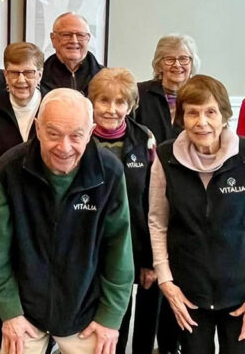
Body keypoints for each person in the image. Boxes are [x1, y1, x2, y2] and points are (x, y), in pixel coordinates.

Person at [148, 75, 245, 354]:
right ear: (181, 117)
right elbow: (157, 222)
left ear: (225, 115)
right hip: (189, 293)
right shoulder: (166, 158)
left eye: (210, 112)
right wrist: (165, 280)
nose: (201, 122)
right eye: (192, 113)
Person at [0, 88, 134, 354]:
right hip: (25, 311)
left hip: (86, 312)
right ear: (38, 129)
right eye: (53, 134)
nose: (64, 147)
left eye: (76, 136)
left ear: (90, 132)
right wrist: (9, 312)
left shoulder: (110, 173)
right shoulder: (9, 170)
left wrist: (110, 318)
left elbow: (119, 253)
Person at [86, 69, 158, 354]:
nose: (112, 109)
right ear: (91, 101)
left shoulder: (145, 140)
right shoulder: (79, 137)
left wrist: (150, 260)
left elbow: (154, 203)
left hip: (130, 247)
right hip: (86, 246)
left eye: (120, 102)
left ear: (131, 105)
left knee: (119, 317)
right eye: (104, 101)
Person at [0, 42, 44, 160]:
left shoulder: (52, 105)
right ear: (6, 75)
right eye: (14, 73)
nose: (21, 80)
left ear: (39, 75)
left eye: (28, 73)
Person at [133, 34, 201, 144]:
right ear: (159, 64)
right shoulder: (139, 93)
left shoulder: (201, 96)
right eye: (170, 59)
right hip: (148, 159)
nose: (177, 65)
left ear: (192, 63)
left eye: (183, 59)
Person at [38, 12, 104, 95]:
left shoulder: (105, 78)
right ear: (53, 39)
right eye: (66, 35)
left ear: (88, 39)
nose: (74, 41)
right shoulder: (38, 79)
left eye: (80, 35)